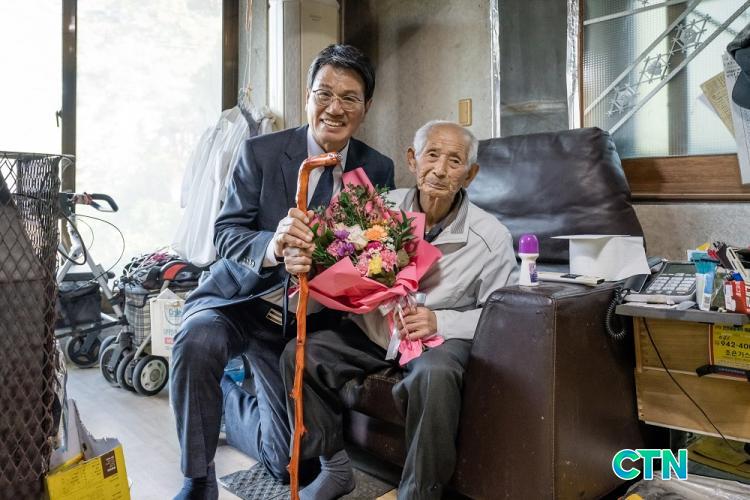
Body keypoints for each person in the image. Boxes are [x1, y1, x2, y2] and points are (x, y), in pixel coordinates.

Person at [170, 44, 395, 500]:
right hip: (241, 301)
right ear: (307, 97)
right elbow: (226, 232)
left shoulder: (376, 168)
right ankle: (198, 478)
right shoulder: (261, 152)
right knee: (198, 340)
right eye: (324, 93)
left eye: (349, 98)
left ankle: (227, 403)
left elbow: (376, 253)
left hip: (302, 326)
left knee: (288, 465)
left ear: (366, 107)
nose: (334, 108)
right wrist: (273, 246)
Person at [280, 120, 517, 500]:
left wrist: (440, 321)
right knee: (301, 355)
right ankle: (334, 468)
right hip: (378, 328)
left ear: (470, 174)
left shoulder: (491, 237)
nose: (440, 170)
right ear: (412, 159)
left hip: (438, 340)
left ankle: (419, 494)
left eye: (455, 161)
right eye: (431, 155)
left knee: (435, 376)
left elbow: (503, 316)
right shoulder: (380, 209)